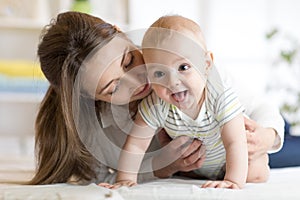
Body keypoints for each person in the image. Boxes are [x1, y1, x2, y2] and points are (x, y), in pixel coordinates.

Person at [29, 11, 284, 186]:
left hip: (247, 141)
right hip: (205, 169)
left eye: (129, 60)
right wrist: (161, 168)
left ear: (121, 33)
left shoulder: (174, 56)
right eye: (113, 87)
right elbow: (103, 175)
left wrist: (266, 138)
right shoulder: (96, 130)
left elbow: (260, 106)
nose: (137, 80)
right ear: (87, 97)